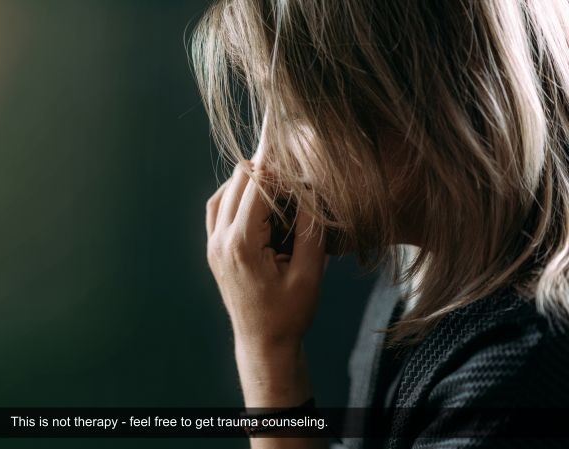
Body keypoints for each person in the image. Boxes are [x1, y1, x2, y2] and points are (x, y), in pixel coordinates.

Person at [191, 0, 569, 448]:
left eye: (296, 112)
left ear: (424, 100)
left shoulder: (516, 376)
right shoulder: (421, 271)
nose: (267, 161)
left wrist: (268, 357)